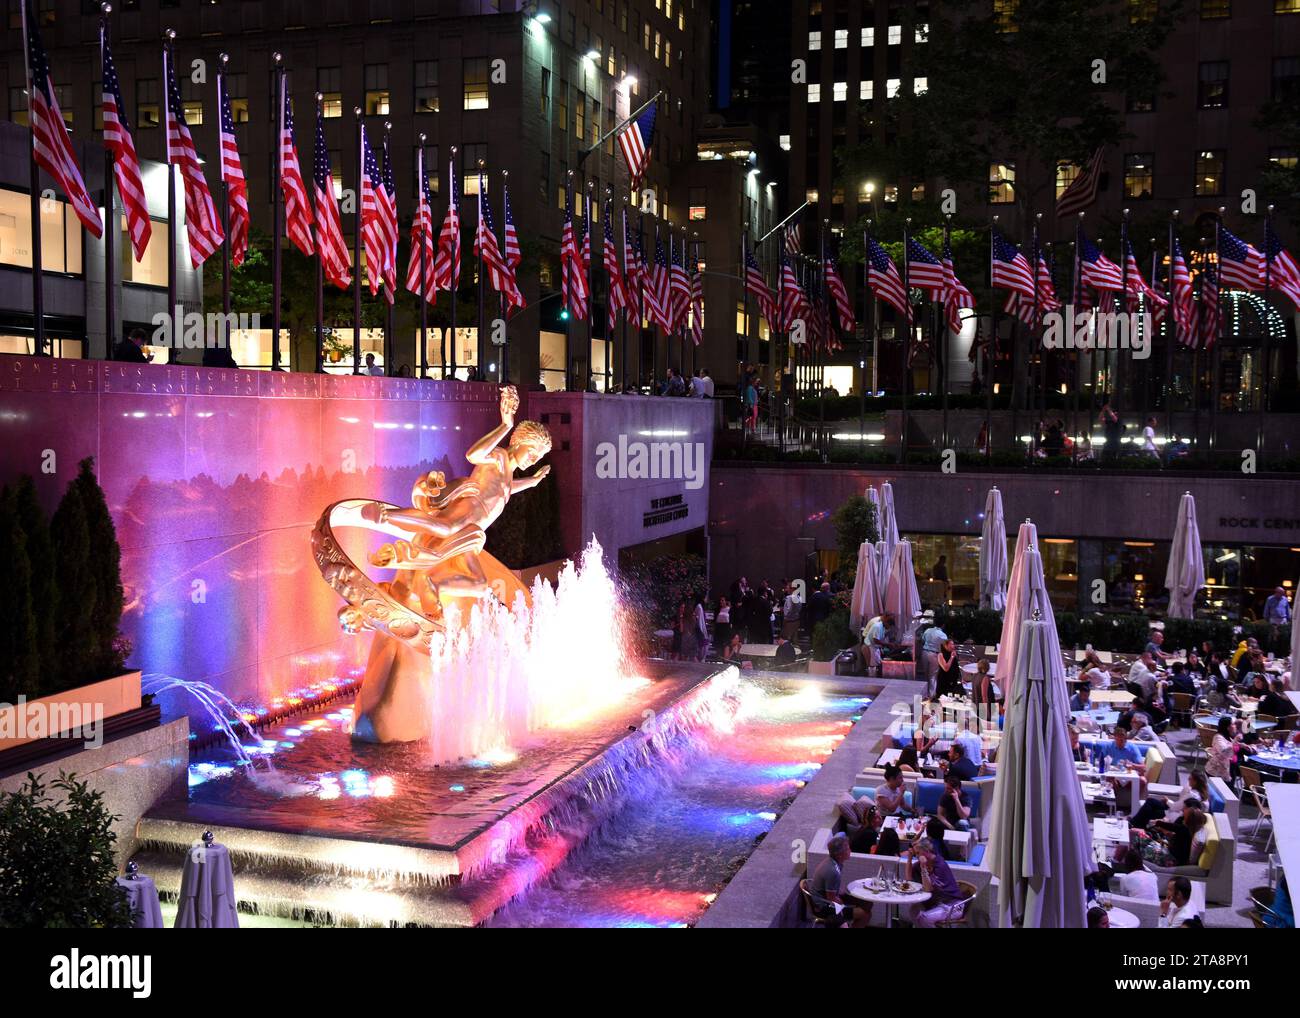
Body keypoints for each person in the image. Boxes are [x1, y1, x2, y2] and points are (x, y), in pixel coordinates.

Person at [904, 825, 966, 927]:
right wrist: (909, 859)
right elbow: (909, 879)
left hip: (953, 905)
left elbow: (928, 888)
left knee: (924, 918)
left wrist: (923, 868)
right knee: (913, 910)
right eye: (916, 854)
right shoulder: (921, 863)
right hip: (937, 904)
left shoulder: (939, 865)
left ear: (927, 851)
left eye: (918, 853)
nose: (917, 856)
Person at [807, 833, 870, 927]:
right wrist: (845, 905)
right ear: (840, 855)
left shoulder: (834, 862)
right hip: (823, 906)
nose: (850, 851)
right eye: (848, 849)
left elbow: (833, 891)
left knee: (867, 903)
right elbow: (831, 898)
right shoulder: (833, 871)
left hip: (826, 899)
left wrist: (850, 897)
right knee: (865, 914)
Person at [1205, 715, 1239, 781]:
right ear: (1228, 727)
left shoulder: (1228, 737)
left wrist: (1243, 746)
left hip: (1230, 769)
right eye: (1233, 724)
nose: (1235, 726)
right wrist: (1235, 741)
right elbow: (1224, 752)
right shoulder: (1218, 738)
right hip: (1217, 772)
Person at [1099, 396, 1121, 462]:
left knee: (1113, 458)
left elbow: (1114, 418)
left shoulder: (1119, 422)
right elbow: (1101, 419)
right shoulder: (1109, 422)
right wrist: (1103, 410)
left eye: (1116, 413)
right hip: (1108, 442)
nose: (1114, 413)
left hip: (1115, 443)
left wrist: (1108, 409)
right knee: (1104, 457)